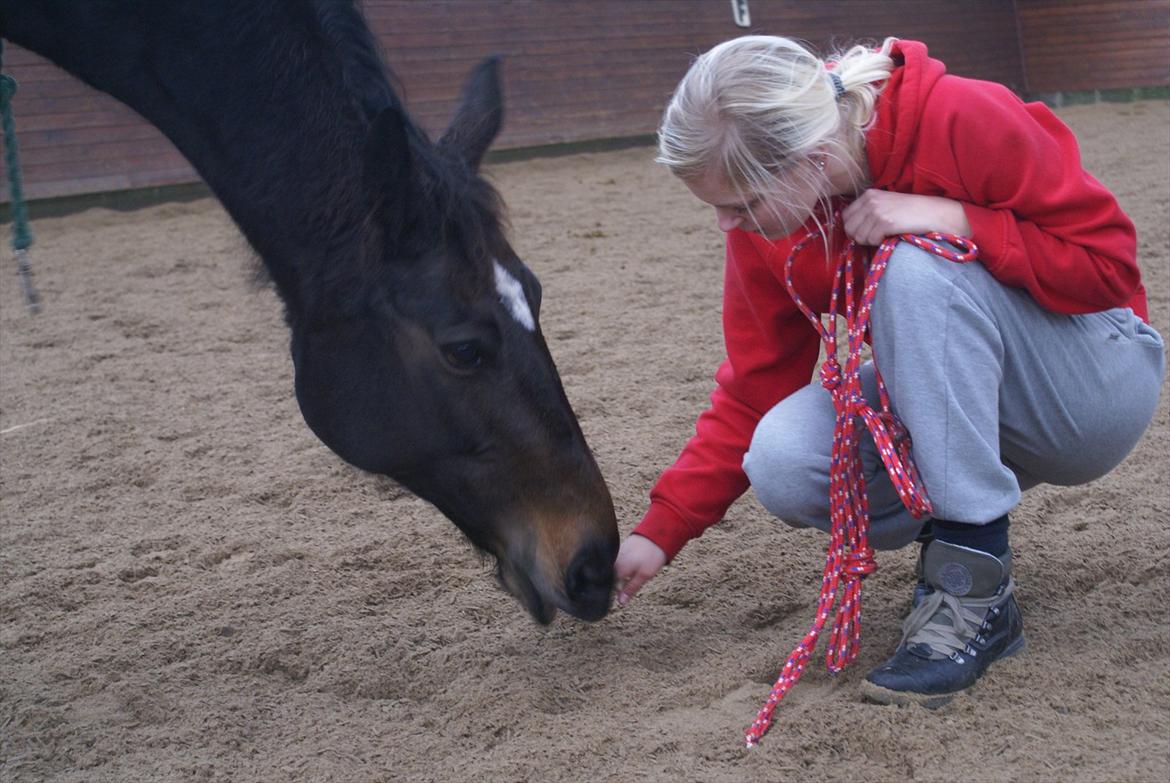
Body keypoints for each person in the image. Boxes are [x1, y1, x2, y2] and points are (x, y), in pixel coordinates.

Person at [614, 35, 1164, 705]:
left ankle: (973, 583)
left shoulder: (960, 117)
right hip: (965, 400)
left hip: (1092, 386)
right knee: (783, 457)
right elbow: (756, 387)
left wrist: (957, 219)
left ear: (812, 161)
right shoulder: (770, 229)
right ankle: (966, 530)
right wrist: (658, 532)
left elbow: (1110, 269)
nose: (728, 226)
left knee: (914, 265)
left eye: (742, 205)